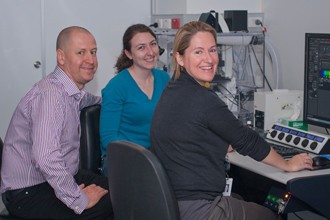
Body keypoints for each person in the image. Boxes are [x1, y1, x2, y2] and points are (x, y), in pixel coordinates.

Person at [150, 21, 313, 220]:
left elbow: (187, 131)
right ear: (180, 58)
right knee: (272, 215)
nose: (209, 59)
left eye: (212, 50)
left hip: (170, 203)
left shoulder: (172, 89)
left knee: (240, 196)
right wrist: (288, 165)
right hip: (199, 208)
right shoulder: (203, 99)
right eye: (198, 52)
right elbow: (247, 141)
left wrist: (217, 142)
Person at [0, 26, 113, 219]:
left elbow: (88, 99)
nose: (91, 60)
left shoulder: (69, 91)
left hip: (58, 177)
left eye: (93, 52)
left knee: (124, 192)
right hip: (27, 191)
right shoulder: (51, 96)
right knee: (107, 205)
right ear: (61, 57)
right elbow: (46, 158)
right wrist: (79, 199)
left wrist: (117, 100)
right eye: (81, 53)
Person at [100, 23, 170, 175]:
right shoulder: (117, 87)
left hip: (156, 159)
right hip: (124, 160)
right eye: (141, 47)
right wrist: (145, 158)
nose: (150, 52)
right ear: (129, 54)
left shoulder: (164, 79)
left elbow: (177, 120)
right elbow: (109, 138)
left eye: (153, 44)